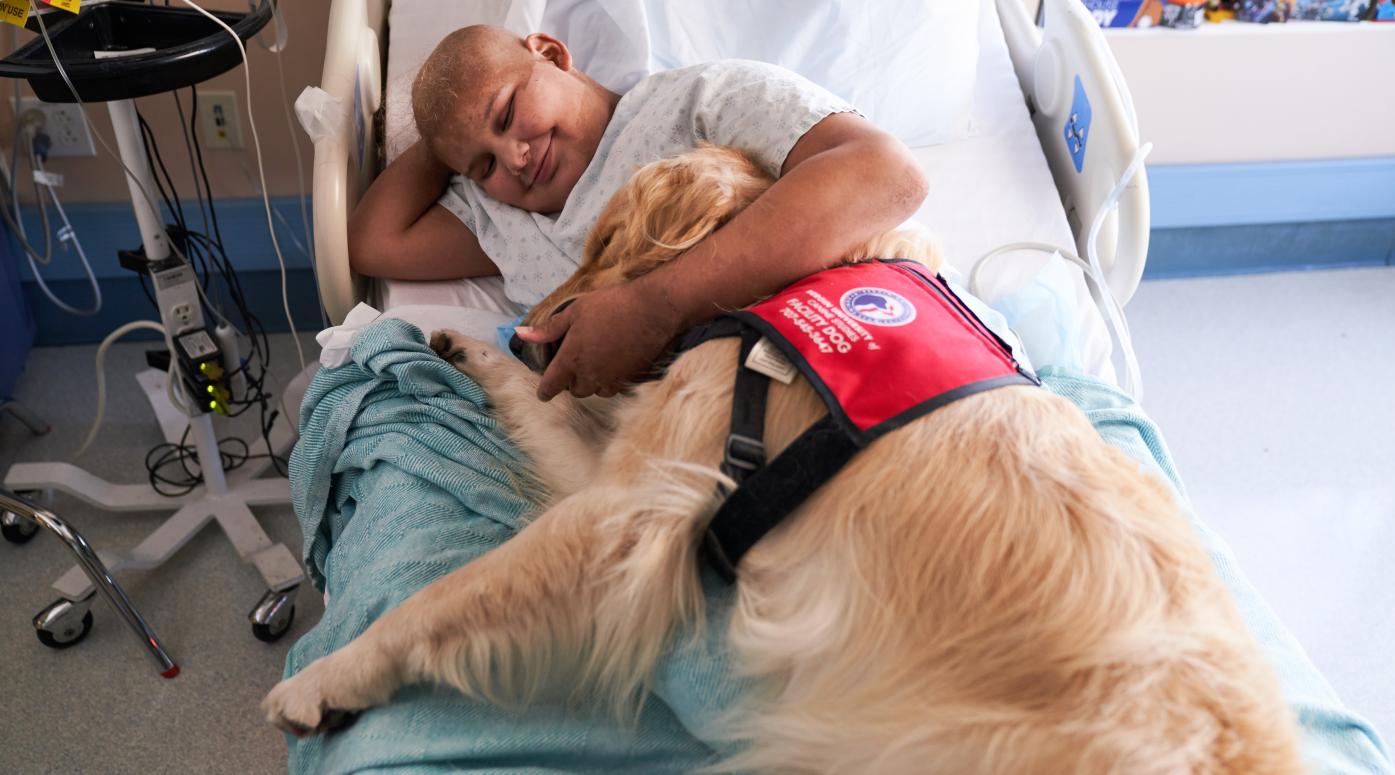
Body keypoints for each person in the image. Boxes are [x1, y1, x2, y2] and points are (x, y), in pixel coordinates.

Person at [349, 25, 927, 400]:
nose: (516, 159)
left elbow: (886, 175)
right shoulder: (502, 219)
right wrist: (445, 132)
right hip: (676, 436)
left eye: (506, 116)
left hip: (830, 364)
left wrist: (655, 306)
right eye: (484, 164)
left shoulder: (699, 102)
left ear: (550, 53)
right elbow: (375, 241)